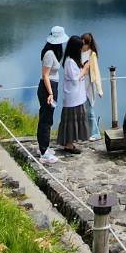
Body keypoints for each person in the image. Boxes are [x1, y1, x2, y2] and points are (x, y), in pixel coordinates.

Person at [37, 25, 66, 164]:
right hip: (47, 88)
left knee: (47, 117)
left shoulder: (54, 51)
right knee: (46, 119)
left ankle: (44, 147)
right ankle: (43, 152)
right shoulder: (49, 53)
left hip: (52, 86)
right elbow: (45, 75)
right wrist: (50, 93)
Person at [57, 34, 89, 154]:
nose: (81, 50)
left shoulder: (72, 60)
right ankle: (68, 145)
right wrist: (85, 69)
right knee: (70, 122)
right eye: (80, 47)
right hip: (72, 97)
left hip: (76, 96)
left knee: (74, 120)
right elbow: (75, 79)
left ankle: (71, 143)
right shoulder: (70, 61)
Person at [81, 32, 103, 142]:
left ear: (89, 44)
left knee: (89, 111)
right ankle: (84, 133)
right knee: (81, 111)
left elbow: (96, 72)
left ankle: (95, 133)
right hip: (79, 86)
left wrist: (99, 89)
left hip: (88, 86)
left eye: (84, 44)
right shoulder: (79, 52)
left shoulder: (91, 54)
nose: (82, 45)